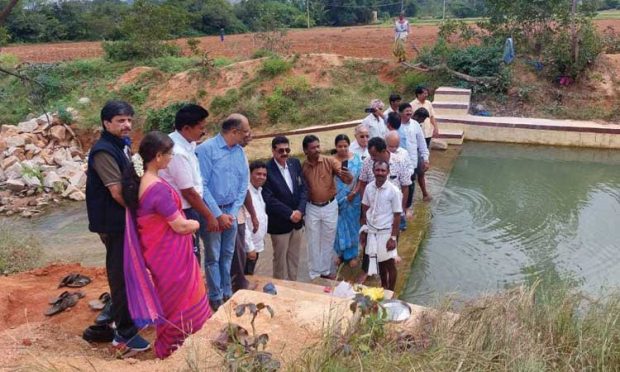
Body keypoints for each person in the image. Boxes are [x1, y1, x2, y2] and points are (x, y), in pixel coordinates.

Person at [122, 131, 210, 359]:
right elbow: (179, 226)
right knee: (181, 301)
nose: (172, 158)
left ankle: (171, 347)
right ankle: (176, 350)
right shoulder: (157, 188)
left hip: (159, 254)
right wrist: (196, 224)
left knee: (171, 301)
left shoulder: (142, 182)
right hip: (172, 257)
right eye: (169, 154)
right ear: (158, 156)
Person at [85, 100, 148, 355]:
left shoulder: (120, 146)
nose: (127, 125)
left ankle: (124, 317)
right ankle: (124, 333)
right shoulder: (103, 151)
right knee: (120, 274)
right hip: (114, 223)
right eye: (121, 120)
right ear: (106, 123)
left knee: (129, 271)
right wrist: (140, 212)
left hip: (122, 221)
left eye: (129, 120)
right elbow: (117, 192)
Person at [196, 114, 251, 311]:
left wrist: (233, 212)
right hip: (212, 213)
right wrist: (218, 214)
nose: (249, 135)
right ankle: (215, 295)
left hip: (231, 212)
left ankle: (227, 291)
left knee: (228, 254)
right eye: (245, 131)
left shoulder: (240, 152)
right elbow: (201, 185)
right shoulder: (206, 150)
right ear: (234, 132)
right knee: (213, 255)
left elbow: (244, 183)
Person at [159, 104, 218, 264]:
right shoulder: (177, 151)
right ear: (186, 128)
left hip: (191, 205)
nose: (203, 131)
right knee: (190, 254)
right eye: (200, 128)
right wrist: (209, 215)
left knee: (193, 251)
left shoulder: (188, 144)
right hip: (183, 209)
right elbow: (188, 192)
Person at [357, 136, 411, 284]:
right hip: (373, 218)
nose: (372, 158)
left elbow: (406, 186)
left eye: (375, 155)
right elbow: (362, 184)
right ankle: (368, 271)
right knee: (372, 250)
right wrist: (366, 210)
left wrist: (403, 210)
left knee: (388, 257)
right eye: (371, 155)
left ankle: (390, 290)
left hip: (391, 217)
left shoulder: (399, 162)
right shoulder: (368, 163)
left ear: (384, 151)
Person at [302, 135, 352, 280]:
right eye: (313, 148)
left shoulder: (329, 161)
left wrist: (347, 176)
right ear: (305, 150)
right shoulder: (303, 166)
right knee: (312, 241)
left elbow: (346, 178)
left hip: (330, 205)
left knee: (328, 239)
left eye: (318, 146)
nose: (317, 150)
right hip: (311, 207)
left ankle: (324, 270)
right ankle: (314, 273)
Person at [262, 136, 307, 281]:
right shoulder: (267, 170)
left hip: (297, 221)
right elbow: (268, 198)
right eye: (281, 150)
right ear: (273, 150)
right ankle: (279, 287)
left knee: (294, 257)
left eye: (287, 149)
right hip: (280, 223)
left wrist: (300, 211)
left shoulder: (294, 163)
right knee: (280, 259)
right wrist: (289, 214)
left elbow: (303, 189)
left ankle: (293, 285)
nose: (284, 153)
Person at [360, 160, 402, 291]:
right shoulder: (369, 187)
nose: (380, 173)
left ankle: (391, 291)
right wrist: (364, 230)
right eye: (377, 170)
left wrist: (393, 238)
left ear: (388, 172)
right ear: (373, 171)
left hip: (386, 233)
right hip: (372, 232)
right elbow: (365, 208)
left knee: (389, 264)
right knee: (379, 262)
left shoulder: (393, 191)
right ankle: (383, 287)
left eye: (383, 171)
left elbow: (397, 215)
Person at [333, 134, 363, 268]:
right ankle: (340, 254)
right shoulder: (331, 161)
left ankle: (352, 255)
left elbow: (361, 180)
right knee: (338, 227)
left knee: (352, 226)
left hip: (353, 199)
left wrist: (354, 193)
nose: (343, 149)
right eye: (340, 146)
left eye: (345, 146)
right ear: (336, 147)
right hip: (336, 199)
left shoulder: (356, 160)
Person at [398, 103, 430, 209]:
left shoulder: (415, 124)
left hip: (412, 162)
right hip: (398, 161)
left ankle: (407, 208)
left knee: (410, 185)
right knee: (397, 185)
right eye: (406, 111)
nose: (409, 112)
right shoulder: (395, 124)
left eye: (410, 111)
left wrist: (425, 158)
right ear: (400, 112)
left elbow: (422, 143)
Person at [410, 87, 437, 200]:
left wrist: (425, 159)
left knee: (420, 173)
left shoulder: (418, 125)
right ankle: (407, 203)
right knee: (410, 178)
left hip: (418, 150)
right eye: (424, 93)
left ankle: (425, 194)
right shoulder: (410, 125)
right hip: (409, 155)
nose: (426, 94)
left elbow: (423, 146)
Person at [244, 161, 268, 275]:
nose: (261, 177)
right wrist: (250, 248)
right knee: (244, 278)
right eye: (258, 174)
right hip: (248, 248)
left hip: (256, 245)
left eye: (264, 175)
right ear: (250, 174)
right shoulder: (246, 194)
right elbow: (242, 223)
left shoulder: (259, 191)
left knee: (250, 275)